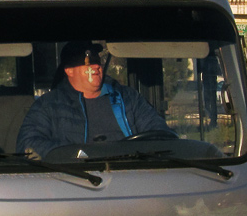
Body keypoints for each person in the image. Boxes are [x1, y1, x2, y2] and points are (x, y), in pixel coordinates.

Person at [16, 40, 169, 158]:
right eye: (87, 63)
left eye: (97, 61)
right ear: (69, 70)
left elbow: (161, 135)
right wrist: (77, 155)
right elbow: (28, 144)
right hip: (74, 180)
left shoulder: (128, 98)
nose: (96, 67)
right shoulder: (48, 105)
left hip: (130, 175)